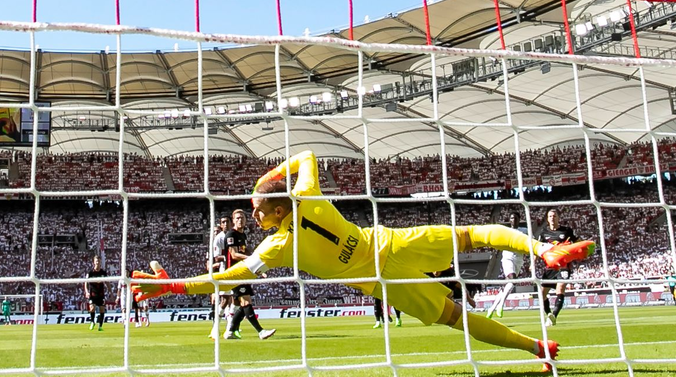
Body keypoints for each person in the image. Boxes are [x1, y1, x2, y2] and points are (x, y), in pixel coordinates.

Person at [132, 151, 595, 367]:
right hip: (387, 248)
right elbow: (307, 155)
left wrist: (174, 286)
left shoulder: (276, 245)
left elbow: (228, 279)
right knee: (470, 246)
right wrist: (268, 180)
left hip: (382, 274)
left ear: (276, 210)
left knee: (461, 301)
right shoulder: (306, 195)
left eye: (257, 211)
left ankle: (539, 330)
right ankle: (542, 269)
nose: (253, 219)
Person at [224, 208, 276, 340]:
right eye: (237, 218)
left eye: (242, 218)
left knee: (241, 305)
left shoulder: (243, 235)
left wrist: (256, 258)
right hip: (235, 273)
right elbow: (234, 254)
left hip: (243, 271)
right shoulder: (231, 235)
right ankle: (260, 331)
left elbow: (245, 250)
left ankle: (231, 331)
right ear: (233, 221)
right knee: (246, 302)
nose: (240, 220)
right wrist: (252, 259)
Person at [536, 209, 577, 326]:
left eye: (554, 216)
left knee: (560, 288)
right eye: (550, 216)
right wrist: (532, 263)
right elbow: (538, 250)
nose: (552, 218)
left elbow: (576, 243)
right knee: (542, 293)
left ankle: (554, 315)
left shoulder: (567, 231)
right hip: (550, 267)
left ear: (558, 218)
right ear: (547, 219)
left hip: (564, 265)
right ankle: (549, 315)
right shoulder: (544, 233)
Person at [486, 213, 528, 318]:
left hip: (519, 260)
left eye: (515, 218)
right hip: (507, 258)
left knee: (507, 286)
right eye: (512, 218)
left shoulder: (524, 231)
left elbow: (530, 242)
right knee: (512, 280)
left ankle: (491, 308)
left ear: (519, 219)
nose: (513, 220)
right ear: (509, 220)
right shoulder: (506, 231)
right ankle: (501, 305)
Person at [207, 215, 232, 338]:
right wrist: (231, 256)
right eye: (223, 222)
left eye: (227, 221)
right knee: (225, 300)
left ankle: (230, 329)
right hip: (225, 272)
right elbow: (217, 257)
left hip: (238, 271)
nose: (225, 224)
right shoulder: (219, 238)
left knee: (236, 301)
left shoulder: (235, 235)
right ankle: (215, 328)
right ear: (221, 225)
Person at [84, 255, 108, 331]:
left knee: (102, 309)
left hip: (101, 294)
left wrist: (110, 292)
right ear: (94, 262)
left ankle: (100, 326)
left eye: (99, 261)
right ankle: (92, 322)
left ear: (100, 262)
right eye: (96, 261)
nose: (97, 262)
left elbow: (107, 282)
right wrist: (86, 291)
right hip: (93, 294)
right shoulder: (90, 273)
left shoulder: (103, 272)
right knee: (92, 308)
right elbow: (86, 282)